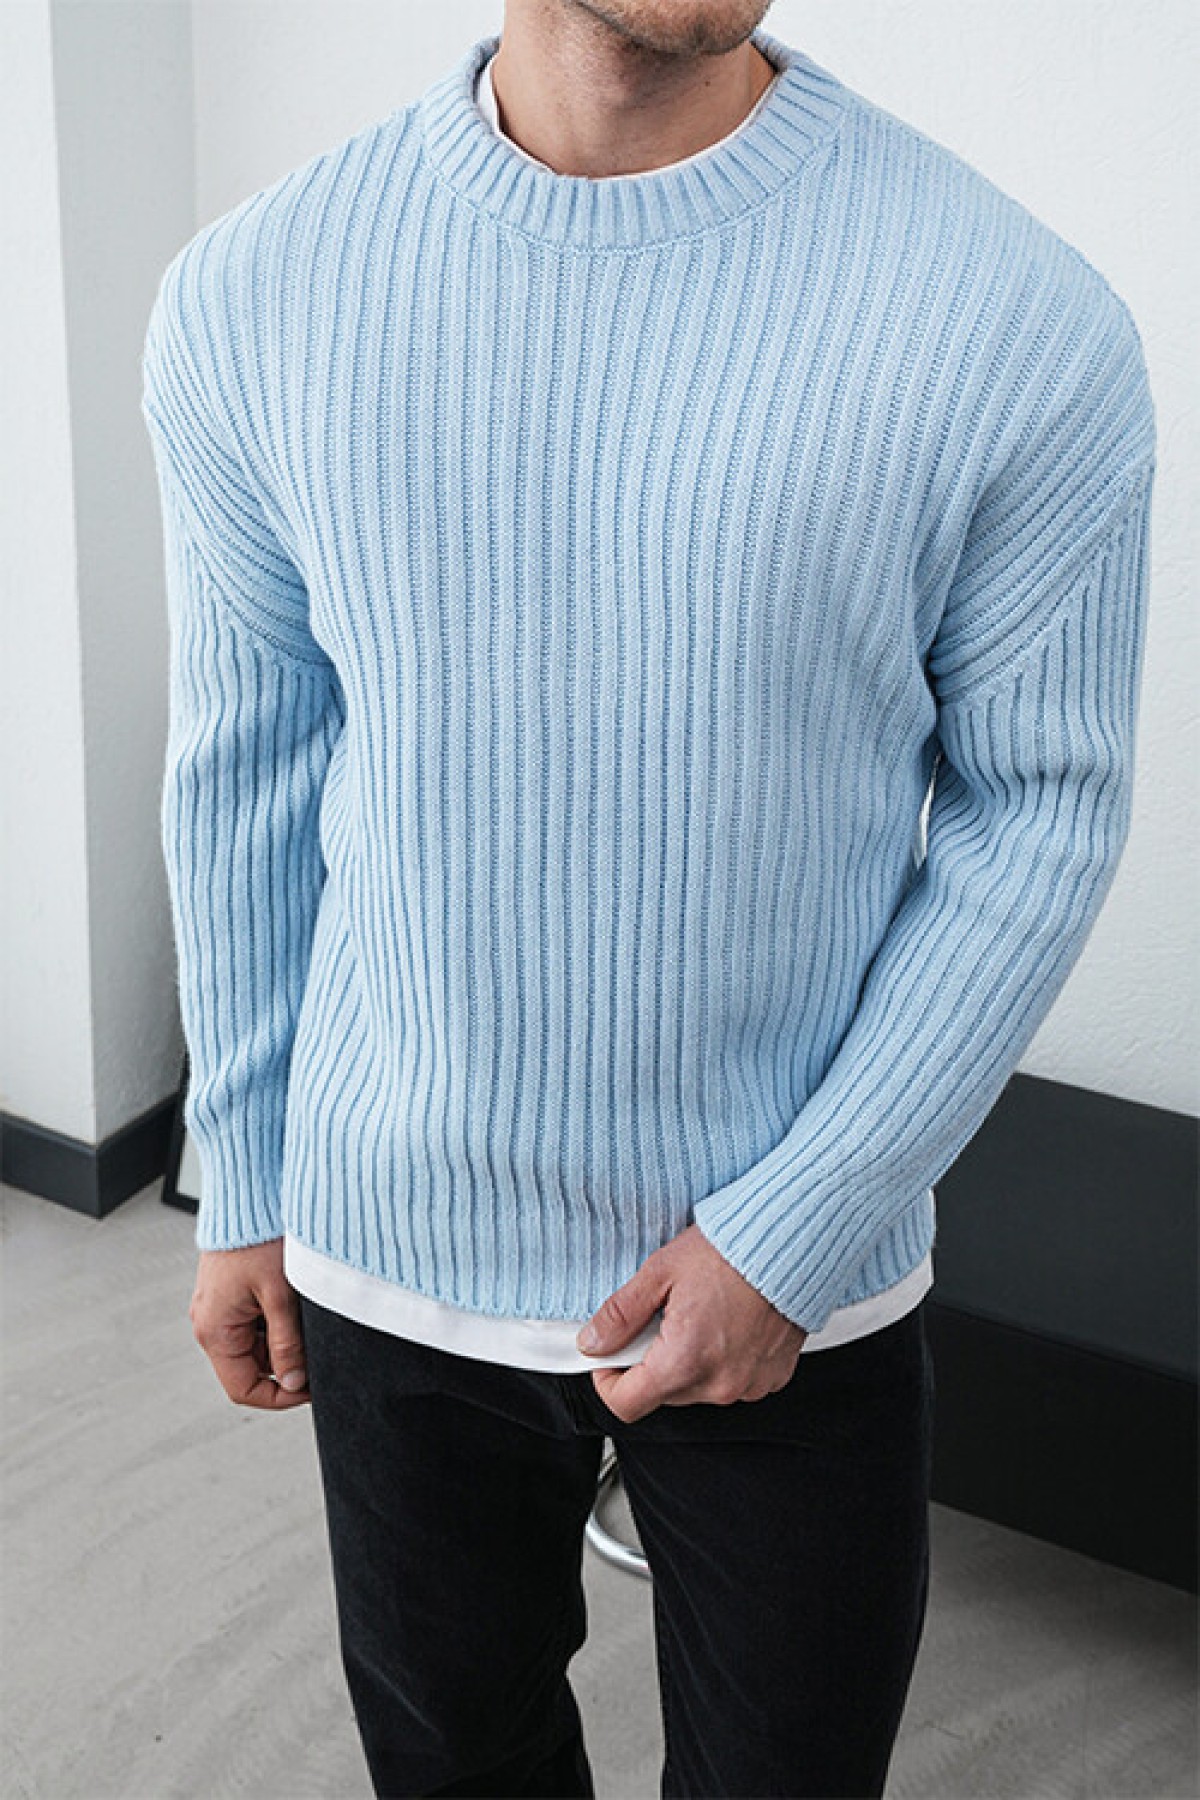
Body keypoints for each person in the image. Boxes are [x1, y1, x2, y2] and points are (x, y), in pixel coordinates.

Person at [141, 2, 1157, 1794]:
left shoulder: (1014, 318)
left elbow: (1040, 807)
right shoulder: (252, 294)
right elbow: (253, 765)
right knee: (457, 1764)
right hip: (390, 1256)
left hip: (796, 1277)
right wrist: (251, 1169)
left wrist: (796, 1230)